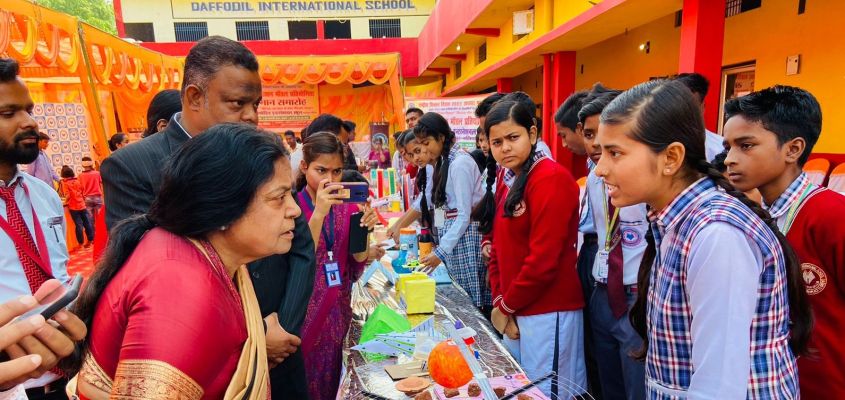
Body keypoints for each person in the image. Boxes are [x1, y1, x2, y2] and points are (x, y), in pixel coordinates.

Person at [99, 36, 315, 399]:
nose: (250, 116)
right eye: (237, 103)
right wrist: (252, 336)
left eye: (255, 104)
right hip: (201, 360)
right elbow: (153, 280)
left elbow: (301, 246)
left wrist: (283, 330)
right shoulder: (133, 167)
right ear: (195, 97)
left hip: (280, 347)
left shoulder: (259, 152)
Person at [597, 79, 811, 399]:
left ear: (671, 158)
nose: (600, 168)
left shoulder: (715, 235)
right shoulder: (677, 222)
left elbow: (717, 387)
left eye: (615, 153)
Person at [66, 124, 294, 399]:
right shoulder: (181, 289)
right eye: (279, 198)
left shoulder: (194, 254)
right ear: (223, 207)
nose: (294, 210)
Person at [722, 85, 845, 399]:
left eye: (746, 145)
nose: (730, 160)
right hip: (771, 383)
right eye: (728, 147)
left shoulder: (832, 215)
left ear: (793, 149)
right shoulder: (754, 216)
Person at [475, 100, 587, 398]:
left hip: (548, 310)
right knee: (521, 391)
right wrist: (501, 302)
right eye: (497, 142)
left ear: (533, 133)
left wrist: (506, 307)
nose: (505, 148)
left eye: (514, 138)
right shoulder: (507, 178)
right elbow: (498, 247)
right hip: (516, 307)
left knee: (547, 393)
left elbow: (543, 261)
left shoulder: (550, 179)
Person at [0, 57, 88, 400]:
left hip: (68, 376)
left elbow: (60, 273)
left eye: (28, 110)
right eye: (8, 114)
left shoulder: (44, 195)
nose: (29, 122)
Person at [294, 132, 378, 400]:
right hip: (302, 313)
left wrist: (364, 229)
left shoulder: (348, 208)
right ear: (304, 167)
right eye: (321, 170)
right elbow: (299, 257)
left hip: (337, 312)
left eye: (337, 171)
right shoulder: (291, 207)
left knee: (334, 381)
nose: (329, 180)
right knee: (302, 383)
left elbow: (357, 262)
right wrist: (318, 212)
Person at [579, 88, 647, 400]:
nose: (595, 144)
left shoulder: (645, 178)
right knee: (606, 379)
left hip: (636, 293)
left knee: (636, 383)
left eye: (604, 136)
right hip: (603, 287)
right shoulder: (595, 178)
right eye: (589, 134)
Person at [413, 112, 492, 314]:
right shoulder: (442, 161)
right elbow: (442, 206)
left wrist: (441, 251)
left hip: (466, 237)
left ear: (441, 138)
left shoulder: (460, 164)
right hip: (454, 237)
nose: (423, 149)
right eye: (420, 144)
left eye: (426, 142)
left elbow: (464, 215)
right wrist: (440, 241)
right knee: (461, 299)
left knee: (471, 303)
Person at [553, 89, 603, 398]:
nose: (593, 143)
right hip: (594, 254)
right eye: (589, 134)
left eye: (565, 135)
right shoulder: (592, 169)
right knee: (596, 348)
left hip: (603, 254)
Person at [674, 72, 724, 161]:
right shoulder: (652, 142)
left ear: (702, 107)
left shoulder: (720, 148)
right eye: (678, 104)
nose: (682, 111)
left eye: (690, 106)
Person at [59, 166, 94, 248]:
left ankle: (80, 243)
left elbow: (68, 195)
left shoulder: (65, 183)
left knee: (79, 225)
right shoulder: (77, 181)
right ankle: (90, 240)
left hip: (74, 207)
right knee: (87, 223)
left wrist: (64, 202)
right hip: (82, 205)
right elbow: (83, 191)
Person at [77, 157, 102, 224]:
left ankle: (93, 233)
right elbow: (101, 184)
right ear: (91, 164)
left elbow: (80, 189)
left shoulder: (80, 176)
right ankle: (103, 232)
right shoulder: (97, 173)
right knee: (101, 216)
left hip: (87, 198)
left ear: (82, 165)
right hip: (98, 197)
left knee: (90, 219)